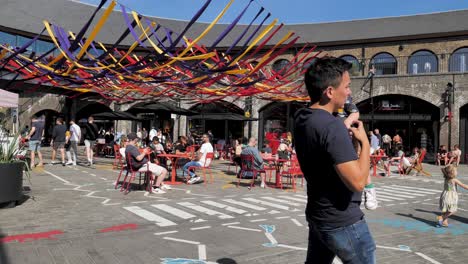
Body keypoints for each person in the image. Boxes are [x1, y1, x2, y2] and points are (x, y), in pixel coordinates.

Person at [294, 57, 375, 263]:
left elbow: (331, 161)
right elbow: (357, 181)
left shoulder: (302, 118)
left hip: (318, 215)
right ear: (329, 91)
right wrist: (365, 143)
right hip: (343, 221)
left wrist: (350, 143)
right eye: (346, 86)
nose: (349, 92)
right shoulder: (332, 126)